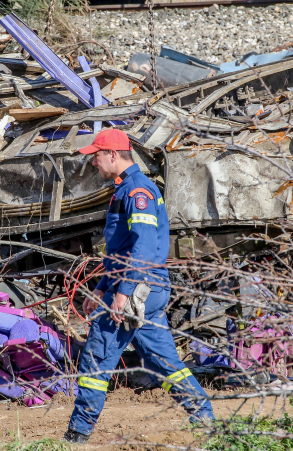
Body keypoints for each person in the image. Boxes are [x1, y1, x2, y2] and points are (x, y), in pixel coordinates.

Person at [64, 129, 214, 444]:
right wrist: (103, 287)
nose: (94, 162)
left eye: (96, 155)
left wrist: (122, 292)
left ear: (113, 155)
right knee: (165, 363)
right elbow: (122, 252)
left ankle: (77, 434)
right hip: (143, 288)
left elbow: (143, 247)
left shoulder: (137, 191)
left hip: (137, 288)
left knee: (96, 357)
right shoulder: (127, 189)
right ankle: (205, 420)